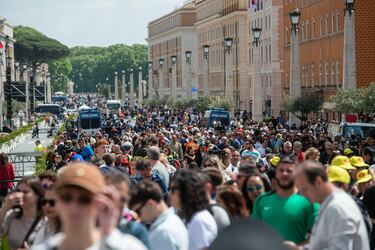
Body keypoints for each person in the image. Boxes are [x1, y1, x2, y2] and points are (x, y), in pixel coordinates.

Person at [32, 162, 146, 250]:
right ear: (57, 201)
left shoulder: (128, 247)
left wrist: (109, 235)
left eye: (85, 199)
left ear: (100, 203)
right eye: (66, 198)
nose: (74, 206)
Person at [285, 161, 370, 250]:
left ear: (318, 182)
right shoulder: (330, 204)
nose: (302, 195)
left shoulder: (337, 208)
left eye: (305, 189)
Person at [252, 157, 318, 244]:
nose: (284, 174)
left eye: (289, 171)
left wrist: (298, 248)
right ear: (276, 174)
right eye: (281, 170)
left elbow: (318, 237)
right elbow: (254, 233)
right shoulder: (261, 200)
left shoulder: (310, 203)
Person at [129, 180, 189, 250]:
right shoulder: (174, 219)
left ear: (150, 204)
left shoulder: (163, 232)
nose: (139, 217)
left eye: (138, 212)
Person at [169, 169, 217, 250]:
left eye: (173, 189)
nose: (170, 193)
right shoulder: (191, 217)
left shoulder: (198, 220)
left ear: (187, 190)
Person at [0, 176, 45, 250]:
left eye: (25, 192)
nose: (20, 195)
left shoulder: (46, 220)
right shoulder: (12, 215)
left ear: (37, 195)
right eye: (18, 191)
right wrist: (5, 208)